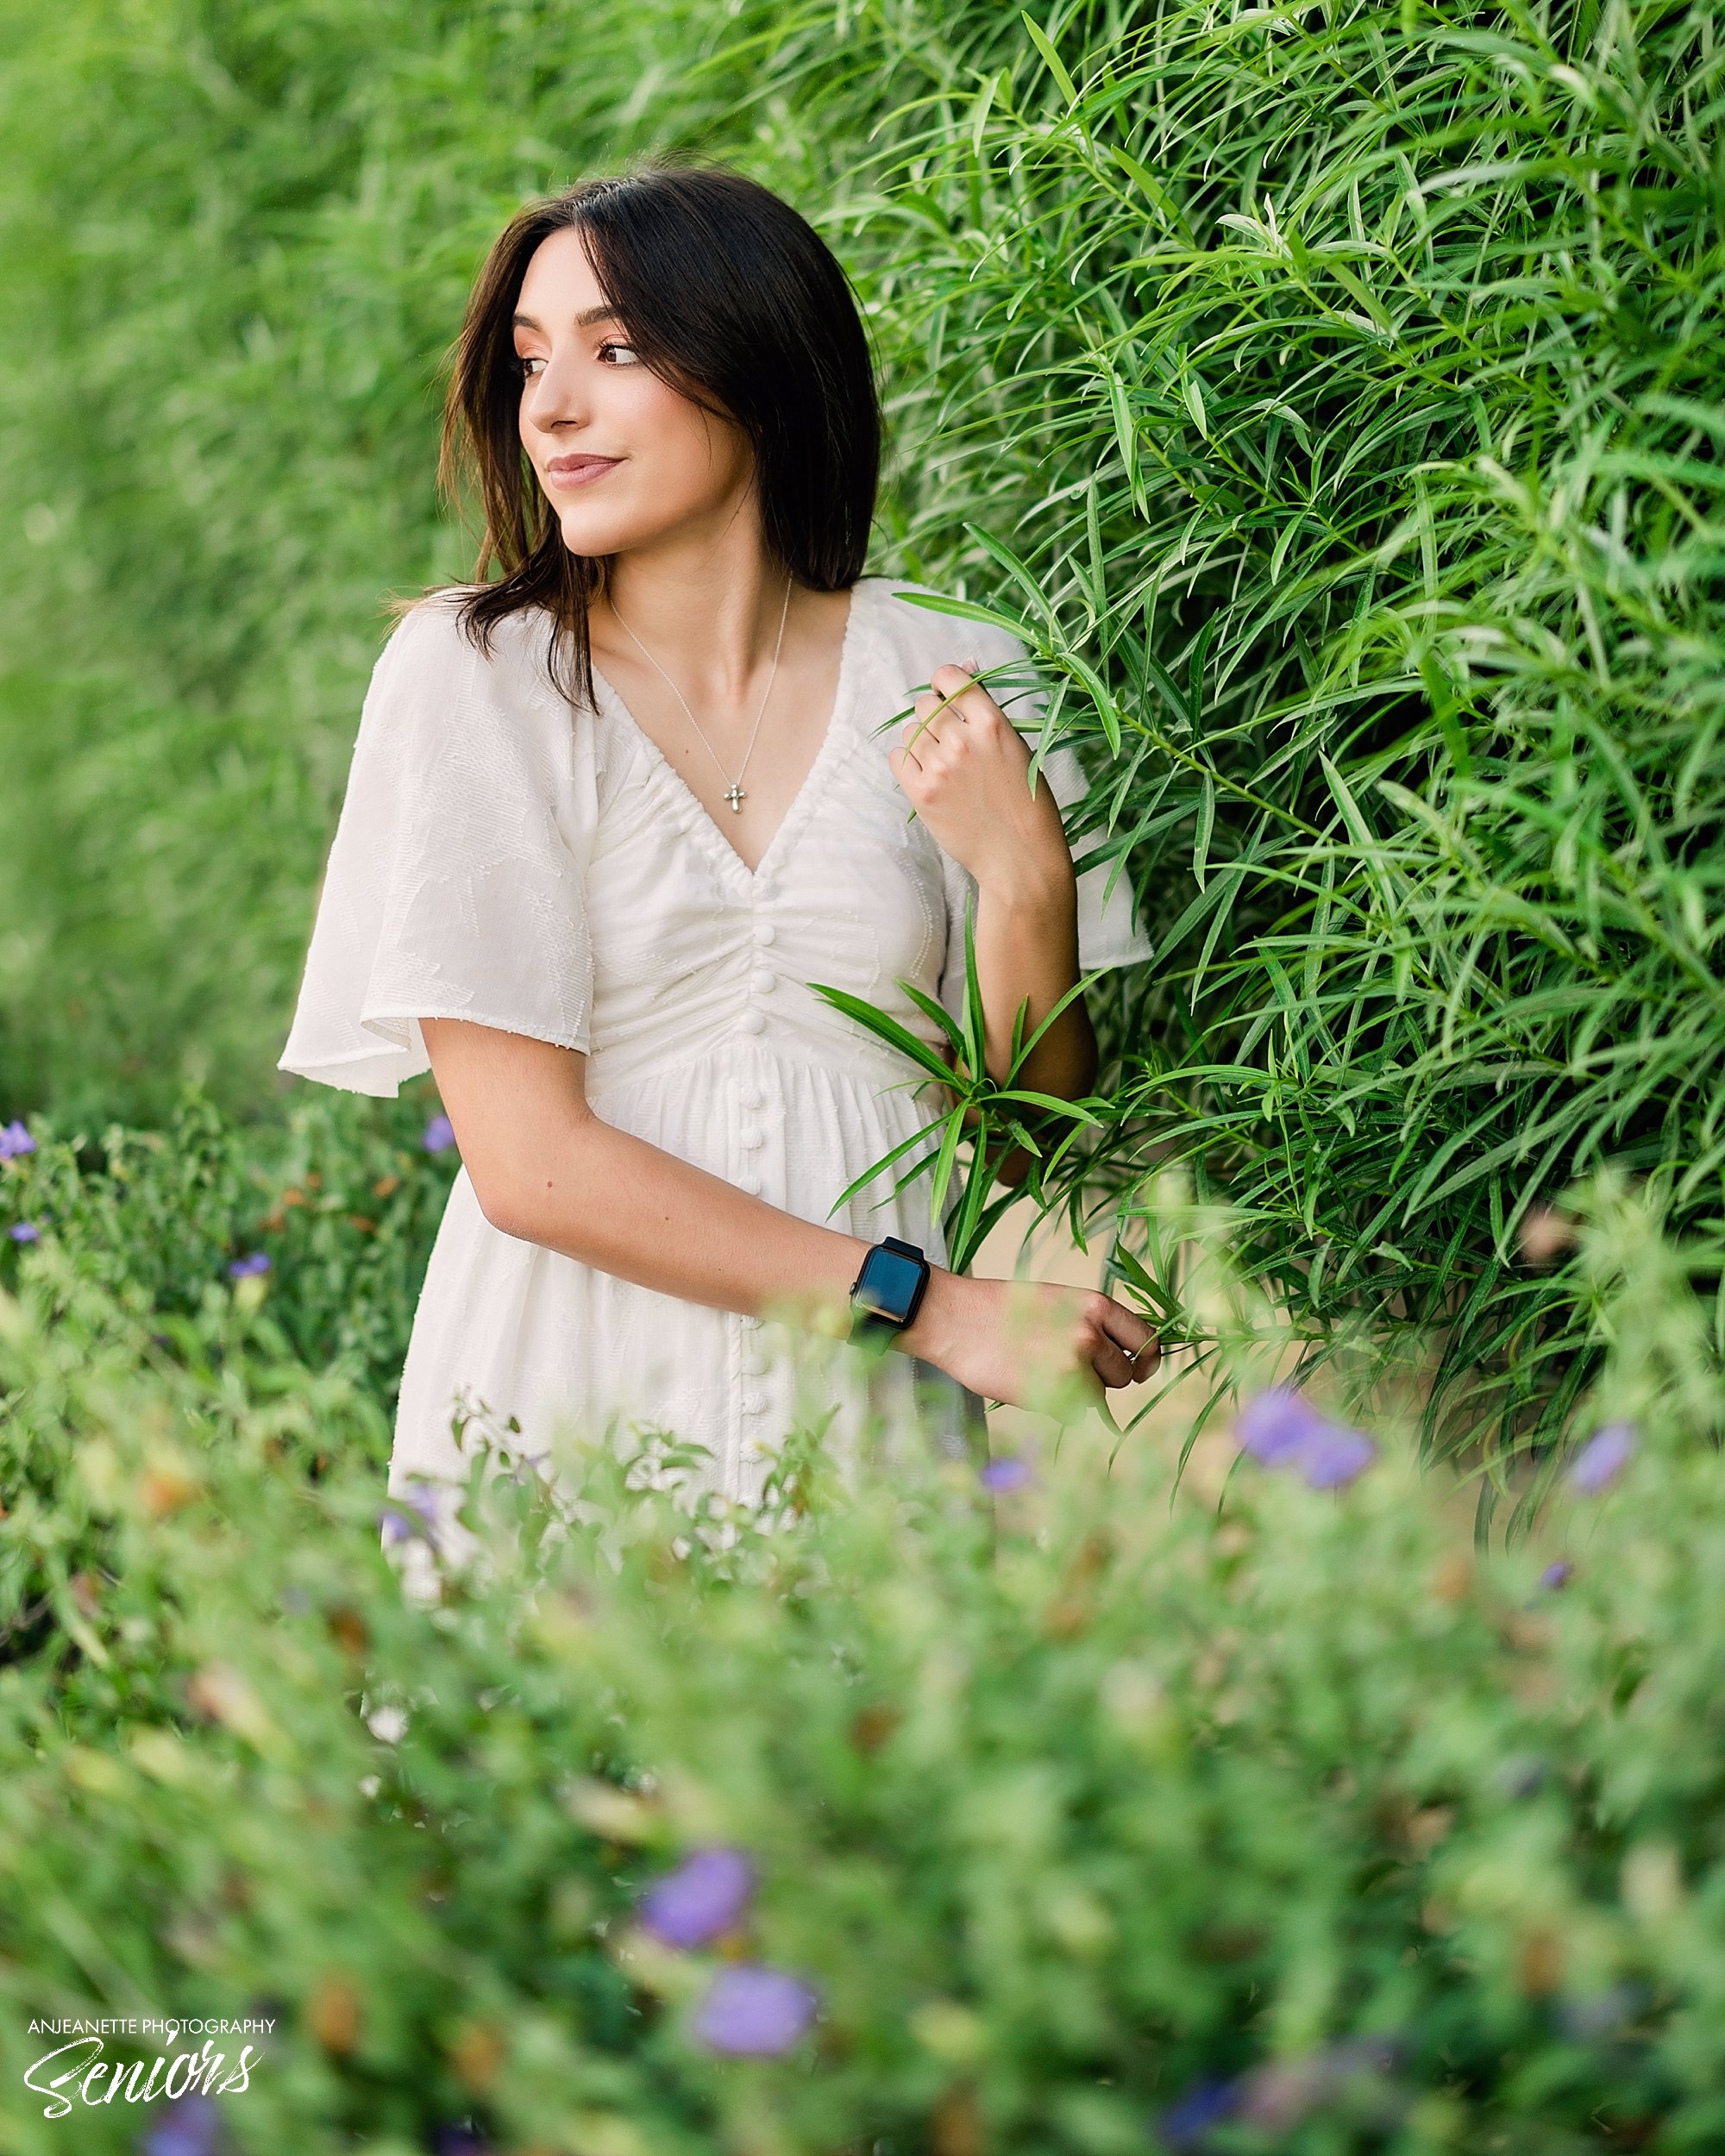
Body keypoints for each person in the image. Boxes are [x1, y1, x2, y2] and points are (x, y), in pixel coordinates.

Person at [278, 160, 1158, 1556]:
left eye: (615, 351)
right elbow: (528, 1165)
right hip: (570, 1413)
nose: (553, 406)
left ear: (758, 366)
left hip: (868, 1438)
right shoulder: (481, 675)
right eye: (529, 362)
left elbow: (1014, 1131)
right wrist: (928, 1306)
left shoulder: (957, 669)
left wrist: (1024, 885)